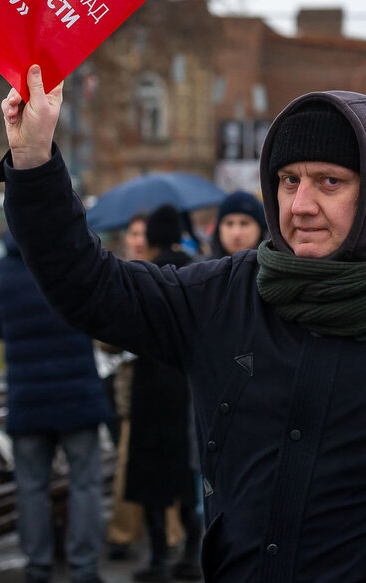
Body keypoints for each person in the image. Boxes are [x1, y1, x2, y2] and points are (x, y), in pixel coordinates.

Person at [0, 69, 366, 582]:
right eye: (288, 180)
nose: (300, 205)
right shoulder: (222, 296)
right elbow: (90, 287)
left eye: (330, 181)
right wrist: (33, 163)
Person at [0, 230, 111, 583]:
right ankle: (84, 569)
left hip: (28, 399)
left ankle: (37, 568)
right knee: (85, 484)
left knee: (31, 487)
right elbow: (96, 315)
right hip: (78, 395)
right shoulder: (71, 263)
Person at [126, 204, 203, 582]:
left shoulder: (147, 274)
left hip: (150, 390)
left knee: (151, 479)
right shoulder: (199, 270)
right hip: (188, 387)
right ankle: (192, 552)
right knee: (188, 478)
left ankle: (157, 560)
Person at [210, 190, 267, 258]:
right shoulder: (204, 268)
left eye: (244, 223)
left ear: (260, 228)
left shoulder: (276, 267)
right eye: (229, 223)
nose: (236, 233)